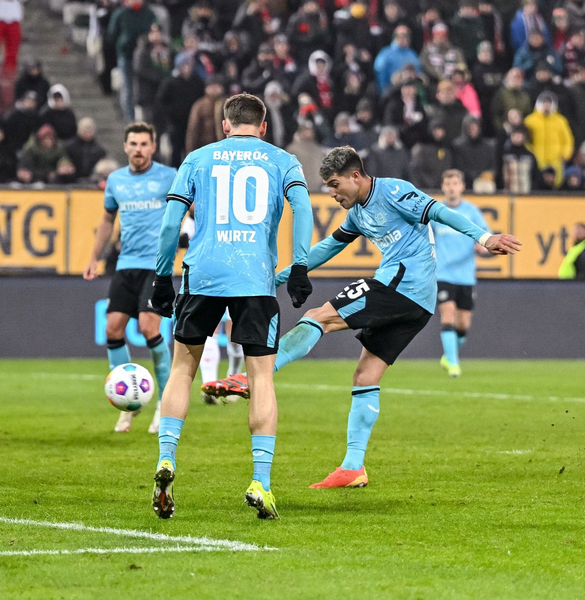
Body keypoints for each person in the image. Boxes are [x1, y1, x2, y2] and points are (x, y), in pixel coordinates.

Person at [203, 146, 521, 489]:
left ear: (356, 176)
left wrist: (485, 238)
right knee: (365, 373)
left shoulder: (394, 191)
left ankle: (256, 376)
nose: (332, 192)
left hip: (400, 286)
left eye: (335, 184)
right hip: (417, 303)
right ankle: (353, 467)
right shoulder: (357, 213)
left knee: (319, 316)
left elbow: (440, 211)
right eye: (327, 186)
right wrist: (286, 274)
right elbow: (330, 246)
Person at [149, 93, 314, 520]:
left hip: (202, 274)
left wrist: (160, 274)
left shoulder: (197, 159)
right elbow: (303, 208)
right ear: (263, 127)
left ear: (225, 126)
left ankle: (167, 457)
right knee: (260, 377)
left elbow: (170, 221)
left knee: (183, 367)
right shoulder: (283, 160)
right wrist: (299, 267)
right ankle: (261, 480)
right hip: (254, 279)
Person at [83, 122, 176, 434]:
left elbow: (189, 212)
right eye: (133, 144)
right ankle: (128, 402)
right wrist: (95, 258)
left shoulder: (169, 177)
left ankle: (165, 403)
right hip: (126, 264)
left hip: (157, 265)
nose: (138, 149)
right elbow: (107, 220)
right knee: (113, 328)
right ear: (125, 147)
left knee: (149, 326)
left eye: (144, 144)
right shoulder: (116, 180)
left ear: (152, 147)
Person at [431, 170, 490, 377]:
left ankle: (449, 355)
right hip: (443, 274)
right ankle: (454, 365)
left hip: (466, 276)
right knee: (447, 313)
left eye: (455, 183)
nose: (451, 188)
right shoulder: (436, 212)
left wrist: (483, 247)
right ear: (443, 187)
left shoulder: (472, 212)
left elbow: (486, 239)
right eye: (447, 184)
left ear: (462, 187)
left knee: (463, 324)